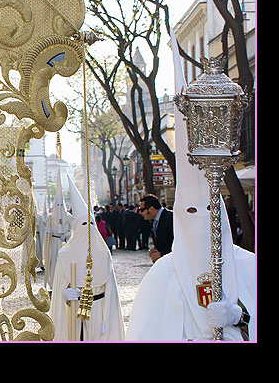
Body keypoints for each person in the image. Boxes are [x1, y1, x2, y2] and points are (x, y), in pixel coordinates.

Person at [125, 31, 255, 341]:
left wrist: (241, 316)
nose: (201, 219)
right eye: (192, 211)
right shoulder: (162, 275)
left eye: (209, 209)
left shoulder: (248, 266)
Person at [50, 176, 124, 341]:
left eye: (90, 224)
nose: (88, 230)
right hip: (73, 314)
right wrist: (65, 294)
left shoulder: (104, 254)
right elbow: (58, 292)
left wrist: (108, 320)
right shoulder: (65, 255)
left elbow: (111, 291)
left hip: (99, 313)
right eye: (83, 225)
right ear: (76, 227)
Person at [139, 194, 173, 263]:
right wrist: (155, 250)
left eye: (142, 210)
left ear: (151, 209)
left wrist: (161, 254)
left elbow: (178, 242)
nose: (140, 213)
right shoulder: (153, 220)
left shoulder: (170, 217)